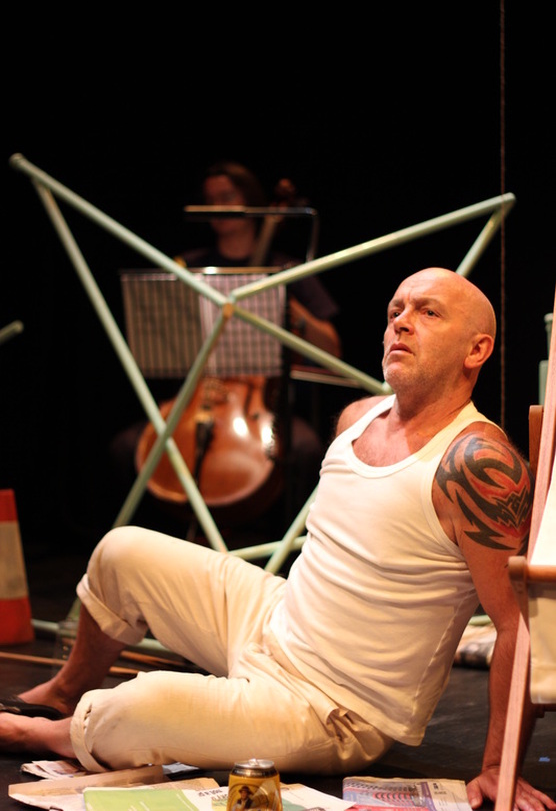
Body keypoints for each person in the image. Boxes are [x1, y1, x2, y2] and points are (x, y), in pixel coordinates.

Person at [1, 268, 554, 811]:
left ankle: (40, 734)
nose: (401, 323)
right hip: (276, 619)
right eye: (395, 311)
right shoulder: (359, 417)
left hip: (332, 709)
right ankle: (64, 692)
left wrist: (497, 767)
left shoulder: (477, 463)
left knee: (135, 706)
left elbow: (518, 624)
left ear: (477, 349)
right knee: (122, 551)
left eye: (428, 312)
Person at [110, 160, 342, 532]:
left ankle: (289, 553)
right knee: (126, 448)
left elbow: (331, 349)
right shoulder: (189, 266)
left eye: (228, 196)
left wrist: (292, 307)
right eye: (210, 199)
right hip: (200, 390)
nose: (218, 206)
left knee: (304, 450)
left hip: (260, 404)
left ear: (251, 200)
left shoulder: (286, 269)